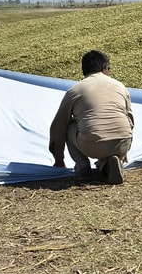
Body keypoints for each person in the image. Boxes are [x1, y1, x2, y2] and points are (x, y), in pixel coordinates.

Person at [49, 50, 134, 184]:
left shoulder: (75, 90)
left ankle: (83, 169)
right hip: (123, 142)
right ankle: (108, 164)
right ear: (104, 68)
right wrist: (125, 150)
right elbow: (129, 119)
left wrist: (59, 159)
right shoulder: (120, 86)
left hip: (91, 145)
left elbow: (58, 127)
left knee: (69, 124)